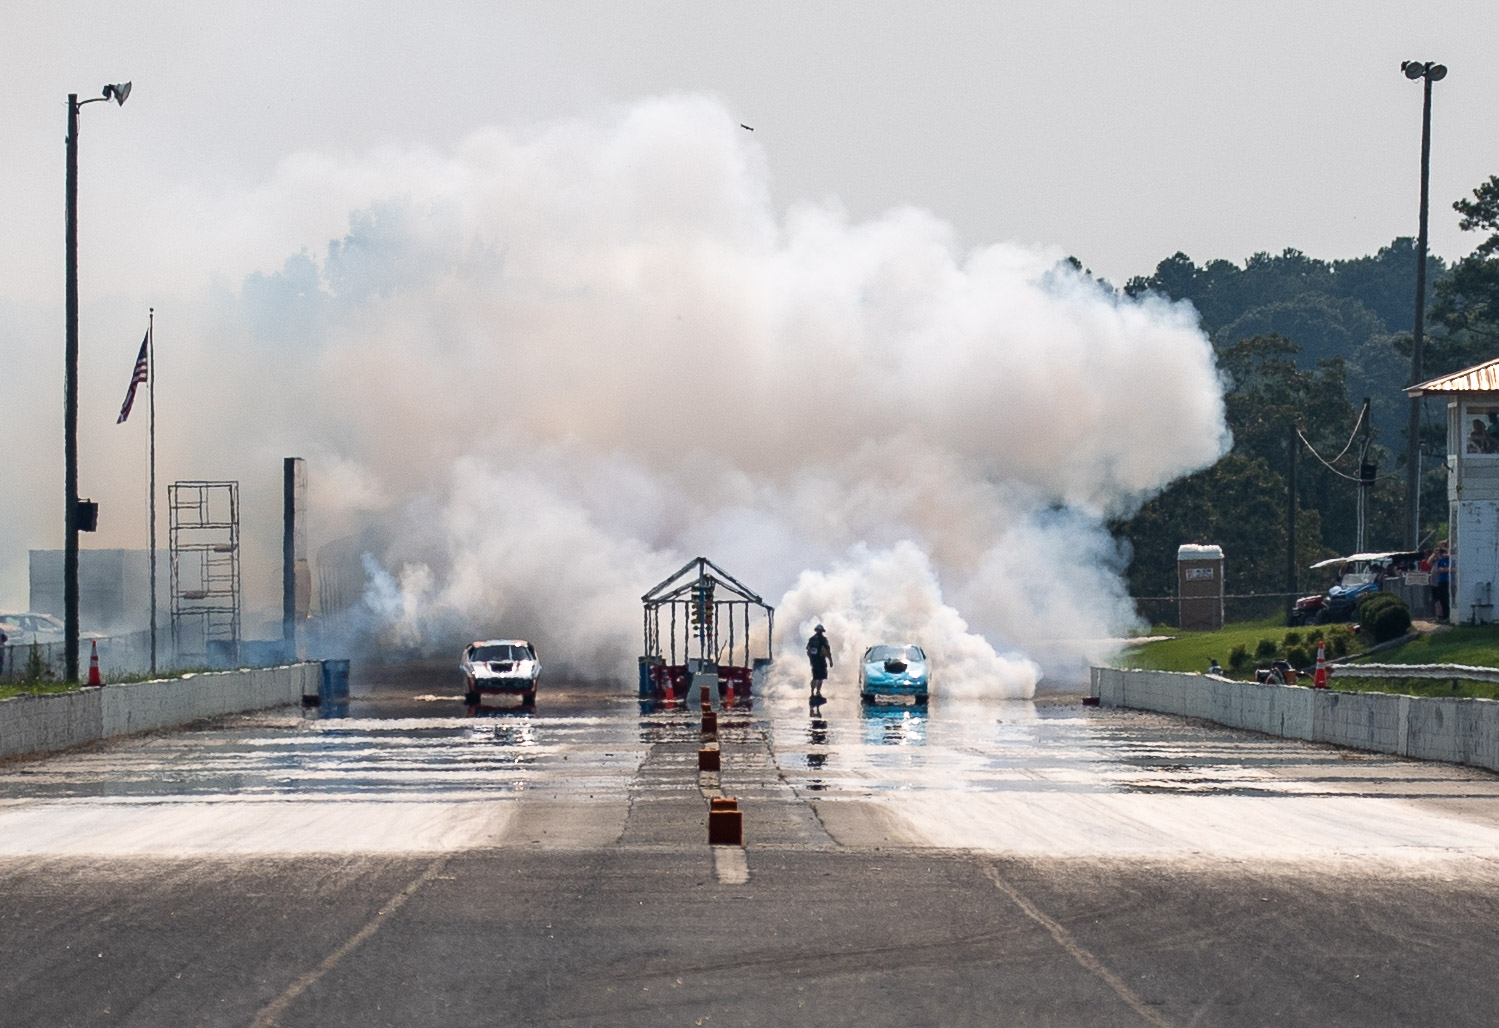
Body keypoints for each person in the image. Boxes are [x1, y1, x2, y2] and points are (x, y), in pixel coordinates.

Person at [806, 624, 833, 698]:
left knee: (815, 677)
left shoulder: (811, 639)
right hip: (821, 660)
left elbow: (808, 650)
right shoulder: (823, 640)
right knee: (820, 677)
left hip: (814, 661)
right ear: (822, 631)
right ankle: (818, 692)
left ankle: (812, 691)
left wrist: (811, 659)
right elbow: (827, 651)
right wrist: (830, 660)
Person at [1434, 545, 1451, 620]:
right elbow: (1438, 569)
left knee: (1446, 597)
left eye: (1441, 553)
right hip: (1440, 581)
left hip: (1446, 580)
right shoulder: (1440, 561)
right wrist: (1442, 569)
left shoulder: (1448, 560)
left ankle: (1448, 614)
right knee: (1441, 598)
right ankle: (1444, 615)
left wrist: (1443, 569)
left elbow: (1450, 569)